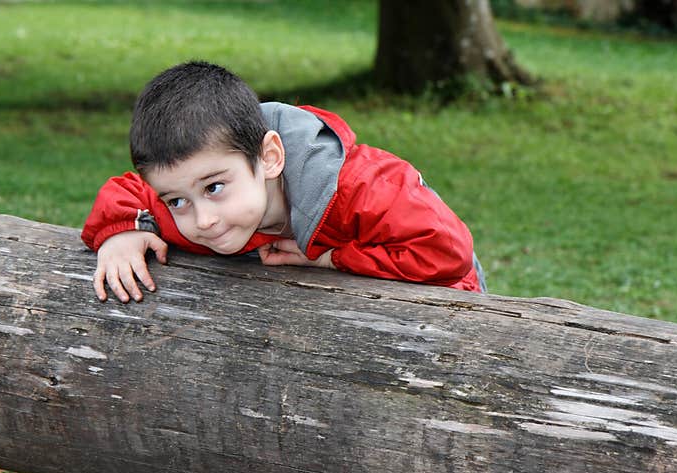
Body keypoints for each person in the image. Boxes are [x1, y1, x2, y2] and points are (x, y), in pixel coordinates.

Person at [81, 61, 486, 303]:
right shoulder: (193, 197)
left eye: (214, 188)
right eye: (176, 201)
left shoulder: (363, 187)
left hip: (445, 306)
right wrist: (122, 232)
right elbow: (129, 190)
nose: (201, 220)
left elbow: (448, 252)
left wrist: (332, 258)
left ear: (270, 157)